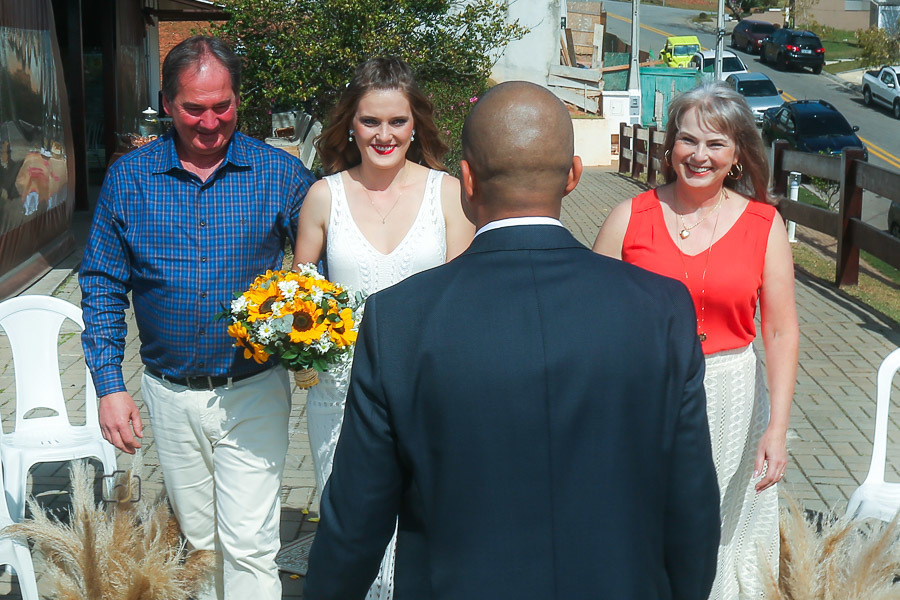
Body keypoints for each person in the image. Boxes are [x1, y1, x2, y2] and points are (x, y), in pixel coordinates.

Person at [303, 80, 720, 600]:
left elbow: (355, 520)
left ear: (467, 180)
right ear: (574, 176)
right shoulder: (661, 308)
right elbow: (692, 503)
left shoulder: (399, 319)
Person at [80, 36, 316, 600]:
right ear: (167, 103)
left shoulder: (280, 175)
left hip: (252, 389)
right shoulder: (130, 179)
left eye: (222, 106)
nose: (210, 122)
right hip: (168, 393)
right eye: (193, 108)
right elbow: (102, 283)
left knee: (250, 544)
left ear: (238, 99)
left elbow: (326, 264)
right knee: (201, 545)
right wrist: (109, 385)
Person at [593, 81, 799, 599]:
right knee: (643, 521)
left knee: (723, 532)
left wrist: (777, 428)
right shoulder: (628, 218)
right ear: (670, 147)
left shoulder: (764, 225)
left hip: (731, 395)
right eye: (687, 140)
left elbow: (780, 330)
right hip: (644, 394)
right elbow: (589, 321)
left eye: (715, 143)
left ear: (737, 154)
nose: (699, 155)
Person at [292, 56, 473, 600]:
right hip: (341, 395)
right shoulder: (324, 195)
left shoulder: (448, 193)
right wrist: (294, 344)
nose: (384, 134)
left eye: (397, 121)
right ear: (350, 124)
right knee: (352, 533)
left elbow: (464, 297)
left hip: (426, 389)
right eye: (370, 121)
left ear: (416, 124)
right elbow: (297, 295)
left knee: (424, 528)